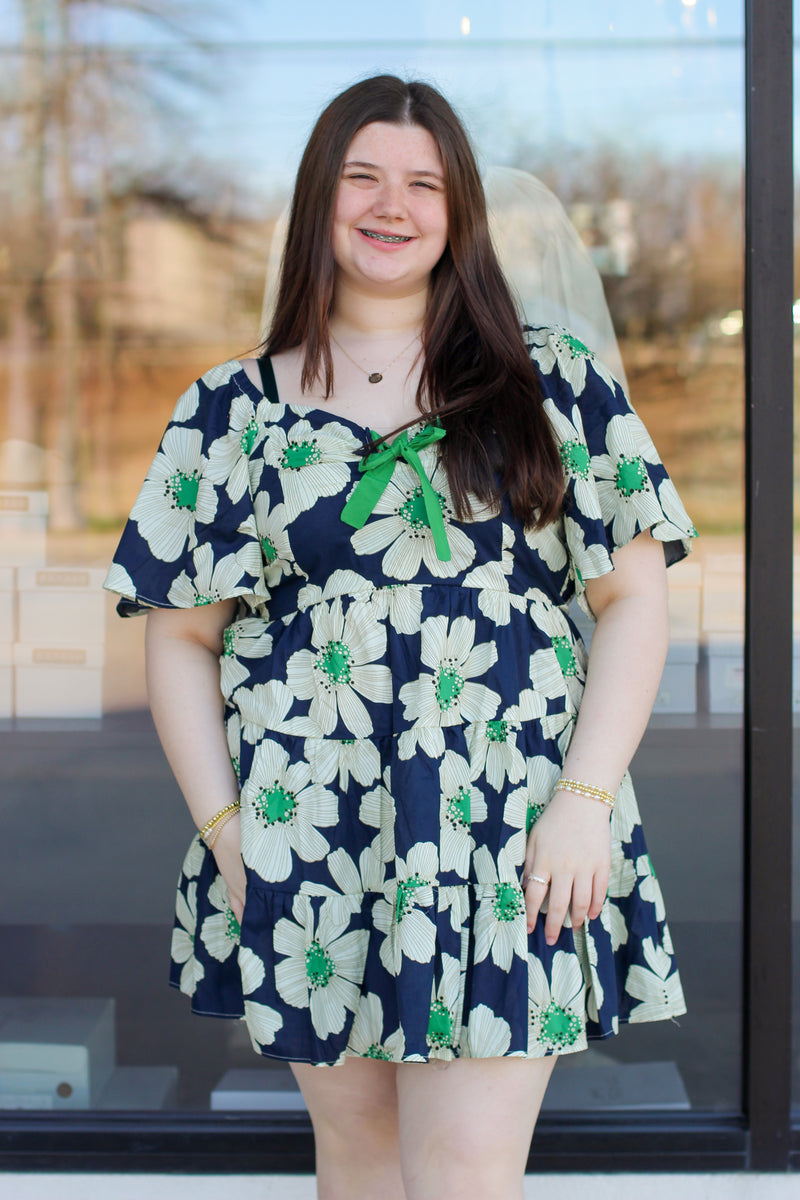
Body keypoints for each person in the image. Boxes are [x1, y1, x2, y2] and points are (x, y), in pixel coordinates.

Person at [104, 74, 696, 1200]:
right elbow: (179, 639)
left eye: (422, 183)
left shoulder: (548, 381)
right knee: (362, 1165)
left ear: (457, 210)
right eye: (363, 177)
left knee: (464, 1172)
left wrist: (581, 805)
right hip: (307, 833)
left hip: (509, 831)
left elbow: (633, 605)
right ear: (320, 199)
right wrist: (231, 835)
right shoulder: (228, 411)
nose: (391, 204)